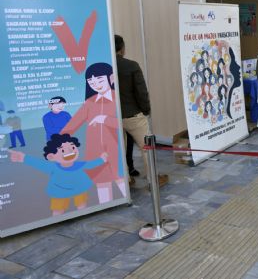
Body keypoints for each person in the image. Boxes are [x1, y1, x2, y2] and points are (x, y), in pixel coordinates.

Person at [61, 62, 124, 204]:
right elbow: (72, 125)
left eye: (100, 80)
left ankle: (124, 202)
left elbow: (123, 123)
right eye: (91, 81)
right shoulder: (90, 102)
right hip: (95, 154)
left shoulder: (118, 98)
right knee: (102, 186)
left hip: (116, 150)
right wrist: (60, 139)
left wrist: (105, 119)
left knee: (121, 180)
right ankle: (106, 209)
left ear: (111, 78)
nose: (95, 84)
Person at [114, 35, 168, 188]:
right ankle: (153, 180)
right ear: (122, 48)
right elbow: (141, 92)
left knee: (120, 151)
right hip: (133, 116)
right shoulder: (131, 66)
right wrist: (146, 109)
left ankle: (127, 181)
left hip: (113, 116)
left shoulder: (105, 66)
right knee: (146, 148)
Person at [9, 134, 108, 216]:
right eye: (63, 150)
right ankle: (57, 219)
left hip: (79, 188)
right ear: (51, 156)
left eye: (73, 147)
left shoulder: (80, 165)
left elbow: (91, 164)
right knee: (58, 210)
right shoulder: (53, 167)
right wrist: (23, 158)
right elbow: (39, 164)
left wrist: (102, 159)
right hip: (60, 192)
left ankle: (83, 214)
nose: (70, 152)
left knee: (82, 204)